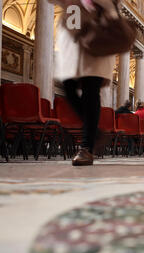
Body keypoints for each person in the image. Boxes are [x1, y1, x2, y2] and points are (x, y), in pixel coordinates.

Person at [50, 0, 117, 166]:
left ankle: (86, 148)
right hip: (73, 30)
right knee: (68, 87)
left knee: (91, 89)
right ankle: (95, 134)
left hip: (97, 32)